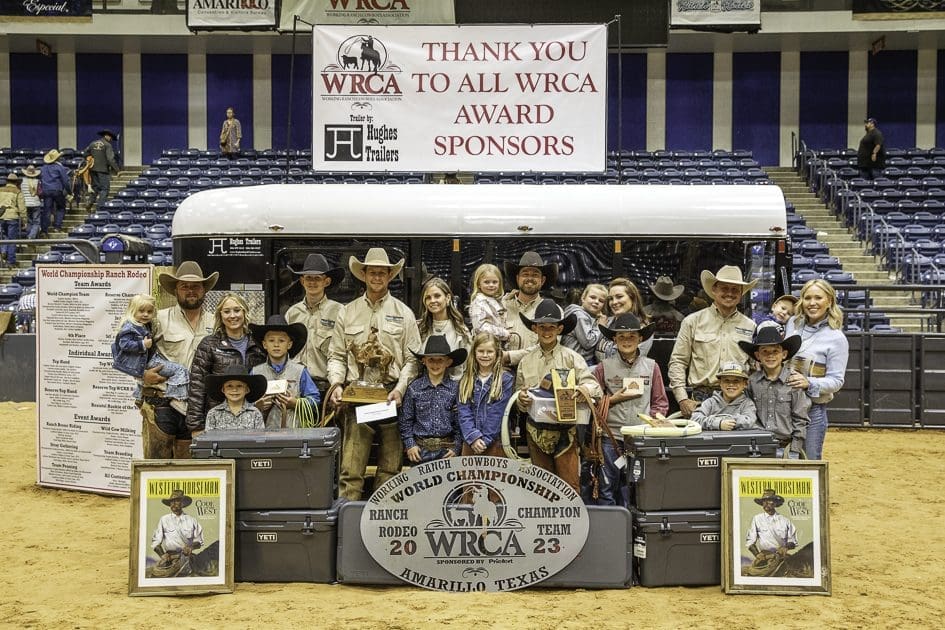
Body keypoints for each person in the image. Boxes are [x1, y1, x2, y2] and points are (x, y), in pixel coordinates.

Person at [327, 247, 421, 500]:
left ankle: (382, 518)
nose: (377, 277)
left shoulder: (405, 314)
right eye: (372, 272)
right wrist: (336, 384)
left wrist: (400, 389)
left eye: (382, 273)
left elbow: (412, 359)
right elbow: (336, 355)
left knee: (391, 466)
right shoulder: (347, 312)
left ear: (390, 276)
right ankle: (348, 517)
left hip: (391, 395)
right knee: (351, 466)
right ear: (364, 275)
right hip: (356, 397)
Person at [515, 299, 602, 492]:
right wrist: (522, 400)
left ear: (560, 328)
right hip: (535, 431)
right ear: (535, 329)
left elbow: (594, 386)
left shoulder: (572, 357)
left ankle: (573, 522)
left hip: (566, 431)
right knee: (541, 488)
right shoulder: (525, 361)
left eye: (551, 327)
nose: (547, 332)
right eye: (542, 327)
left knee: (570, 486)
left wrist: (584, 390)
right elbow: (518, 396)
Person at [585, 313, 668, 506]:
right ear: (614, 339)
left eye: (631, 336)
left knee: (639, 487)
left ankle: (634, 530)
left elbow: (660, 402)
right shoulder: (603, 367)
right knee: (607, 487)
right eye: (621, 336)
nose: (626, 340)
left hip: (641, 437)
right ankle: (611, 532)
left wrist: (656, 421)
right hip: (610, 438)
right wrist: (613, 399)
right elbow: (593, 403)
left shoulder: (651, 367)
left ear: (640, 338)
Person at [140, 261, 217, 459]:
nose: (190, 291)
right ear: (176, 290)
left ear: (204, 290)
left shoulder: (215, 322)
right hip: (163, 402)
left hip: (199, 406)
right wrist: (143, 376)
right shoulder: (158, 319)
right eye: (184, 286)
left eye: (196, 286)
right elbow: (133, 353)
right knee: (157, 462)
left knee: (190, 463)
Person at [668, 265, 757, 418]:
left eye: (735, 289)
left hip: (738, 400)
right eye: (724, 288)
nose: (729, 293)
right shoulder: (692, 322)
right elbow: (678, 362)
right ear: (714, 290)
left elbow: (755, 368)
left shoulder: (751, 326)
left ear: (741, 293)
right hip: (701, 398)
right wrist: (682, 398)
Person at [785, 279, 849, 460]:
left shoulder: (837, 338)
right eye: (807, 298)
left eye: (818, 298)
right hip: (784, 407)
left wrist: (809, 383)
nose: (812, 303)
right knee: (782, 461)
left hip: (812, 411)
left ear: (829, 301)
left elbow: (837, 381)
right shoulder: (793, 323)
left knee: (809, 463)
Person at [186, 293, 266, 435]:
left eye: (237, 310)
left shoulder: (258, 343)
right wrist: (196, 426)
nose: (232, 315)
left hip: (253, 417)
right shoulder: (209, 344)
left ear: (244, 312)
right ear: (220, 315)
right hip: (219, 419)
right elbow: (197, 386)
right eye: (227, 311)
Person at [740, 323, 809, 458]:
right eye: (765, 351)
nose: (770, 355)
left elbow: (800, 419)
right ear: (757, 355)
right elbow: (747, 412)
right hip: (759, 446)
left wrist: (794, 450)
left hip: (787, 446)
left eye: (775, 351)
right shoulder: (752, 382)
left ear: (784, 354)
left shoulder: (793, 381)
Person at [112, 294, 190, 413]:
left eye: (149, 311)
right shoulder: (131, 327)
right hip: (149, 362)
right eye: (141, 311)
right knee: (180, 370)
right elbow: (123, 344)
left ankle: (139, 396)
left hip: (149, 359)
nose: (145, 314)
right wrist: (142, 345)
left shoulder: (146, 324)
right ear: (132, 311)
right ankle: (176, 397)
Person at [284, 254, 345, 402]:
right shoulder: (292, 313)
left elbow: (343, 353)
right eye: (309, 278)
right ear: (302, 281)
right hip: (295, 387)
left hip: (326, 387)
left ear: (327, 281)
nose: (312, 282)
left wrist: (337, 385)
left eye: (317, 278)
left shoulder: (339, 312)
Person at [400, 335, 466, 464]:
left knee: (447, 484)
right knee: (419, 484)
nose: (435, 364)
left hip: (447, 450)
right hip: (420, 450)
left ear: (448, 362)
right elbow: (405, 420)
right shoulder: (414, 388)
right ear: (424, 361)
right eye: (431, 360)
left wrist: (456, 446)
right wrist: (410, 444)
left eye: (440, 360)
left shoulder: (455, 389)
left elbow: (460, 421)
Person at [250, 315, 321, 429]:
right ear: (264, 344)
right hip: (262, 434)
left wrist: (296, 403)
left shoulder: (300, 371)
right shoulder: (256, 372)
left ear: (289, 344)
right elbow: (244, 403)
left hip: (294, 433)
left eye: (281, 340)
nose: (276, 344)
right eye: (271, 340)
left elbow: (315, 399)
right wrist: (257, 406)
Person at [458, 332, 515, 457]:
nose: (485, 355)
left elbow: (497, 413)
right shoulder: (466, 379)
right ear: (474, 353)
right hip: (470, 442)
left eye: (489, 352)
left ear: (497, 354)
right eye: (481, 351)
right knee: (469, 476)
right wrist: (473, 437)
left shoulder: (505, 379)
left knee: (494, 476)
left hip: (496, 442)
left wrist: (484, 441)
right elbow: (463, 411)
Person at [502, 251, 557, 362]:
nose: (530, 278)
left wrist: (507, 357)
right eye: (525, 274)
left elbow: (549, 347)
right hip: (502, 372)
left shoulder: (553, 311)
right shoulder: (501, 307)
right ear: (518, 279)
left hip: (536, 373)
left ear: (542, 280)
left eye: (535, 274)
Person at [417, 277, 470, 380]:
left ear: (448, 298)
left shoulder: (460, 329)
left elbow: (468, 365)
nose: (432, 301)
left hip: (456, 386)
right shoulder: (420, 329)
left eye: (437, 296)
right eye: (428, 297)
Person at [151, 489, 204, 576]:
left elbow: (199, 541)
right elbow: (156, 541)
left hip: (187, 558)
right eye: (171, 502)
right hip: (169, 559)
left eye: (177, 501)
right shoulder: (164, 520)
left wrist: (191, 547)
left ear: (183, 503)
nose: (173, 504)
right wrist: (162, 555)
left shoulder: (192, 520)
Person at [691, 362, 758, 431]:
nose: (731, 384)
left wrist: (726, 421)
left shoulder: (747, 404)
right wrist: (719, 423)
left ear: (745, 384)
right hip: (713, 441)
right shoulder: (710, 402)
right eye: (726, 380)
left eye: (736, 381)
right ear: (719, 383)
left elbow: (749, 421)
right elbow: (695, 418)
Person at [600, 277, 653, 358]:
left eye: (619, 296)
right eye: (611, 299)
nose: (614, 302)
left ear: (632, 298)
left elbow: (630, 360)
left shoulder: (643, 328)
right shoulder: (606, 322)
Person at [204, 364, 267, 431]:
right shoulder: (213, 414)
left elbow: (260, 439)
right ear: (223, 389)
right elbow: (209, 440)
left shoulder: (255, 413)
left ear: (247, 390)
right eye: (229, 386)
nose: (234, 390)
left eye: (239, 386)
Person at [745, 489, 798, 564]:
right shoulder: (757, 519)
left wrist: (786, 547)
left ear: (775, 503)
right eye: (764, 501)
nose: (766, 503)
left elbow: (793, 541)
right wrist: (757, 554)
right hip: (764, 557)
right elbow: (750, 541)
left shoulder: (785, 521)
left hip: (782, 557)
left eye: (769, 500)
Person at [562, 283, 608, 365]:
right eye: (592, 297)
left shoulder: (588, 316)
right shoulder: (579, 316)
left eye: (601, 301)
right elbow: (588, 342)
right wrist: (600, 326)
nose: (596, 302)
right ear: (583, 298)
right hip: (576, 362)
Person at [467, 263, 510, 344]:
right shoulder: (478, 302)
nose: (491, 285)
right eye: (486, 282)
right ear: (479, 284)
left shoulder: (497, 300)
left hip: (497, 345)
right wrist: (504, 333)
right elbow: (480, 328)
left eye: (494, 282)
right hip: (484, 346)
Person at [83, 129, 119, 211]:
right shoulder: (108, 145)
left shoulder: (92, 144)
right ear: (107, 136)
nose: (110, 139)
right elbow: (110, 159)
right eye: (110, 137)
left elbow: (85, 153)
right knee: (105, 189)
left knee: (95, 187)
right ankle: (100, 208)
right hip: (103, 170)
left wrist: (90, 158)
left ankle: (90, 202)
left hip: (93, 170)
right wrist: (117, 170)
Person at [39, 149, 71, 235]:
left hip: (46, 191)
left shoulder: (43, 168)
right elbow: (65, 181)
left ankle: (44, 230)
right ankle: (57, 227)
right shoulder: (60, 168)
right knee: (61, 208)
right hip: (57, 190)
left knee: (47, 210)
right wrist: (69, 191)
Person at [0, 172, 26, 268]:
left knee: (4, 237)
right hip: (12, 217)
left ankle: (3, 251)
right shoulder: (17, 191)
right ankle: (11, 261)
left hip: (1, 216)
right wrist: (24, 220)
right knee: (12, 240)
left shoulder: (0, 190)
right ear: (16, 182)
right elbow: (22, 208)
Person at [19, 165, 41, 240]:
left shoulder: (22, 181)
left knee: (29, 221)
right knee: (36, 221)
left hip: (26, 203)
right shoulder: (37, 181)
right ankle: (31, 236)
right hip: (35, 203)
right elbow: (40, 192)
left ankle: (29, 235)